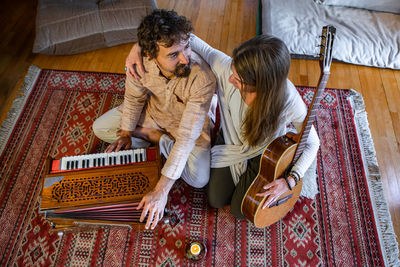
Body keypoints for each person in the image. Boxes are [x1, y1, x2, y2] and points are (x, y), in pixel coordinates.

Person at [126, 34, 320, 221]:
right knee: (215, 199)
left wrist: (290, 180)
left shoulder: (289, 100)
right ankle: (164, 135)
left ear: (261, 87)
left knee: (240, 210)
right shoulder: (225, 67)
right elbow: (185, 36)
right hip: (231, 143)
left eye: (238, 80)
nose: (229, 80)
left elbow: (313, 142)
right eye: (232, 73)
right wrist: (139, 47)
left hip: (265, 153)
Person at [93, 10, 216, 229]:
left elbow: (188, 136)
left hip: (186, 129)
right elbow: (133, 99)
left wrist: (161, 190)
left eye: (187, 47)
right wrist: (125, 133)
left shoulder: (202, 78)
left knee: (199, 179)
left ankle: (153, 139)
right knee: (100, 128)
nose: (185, 58)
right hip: (153, 114)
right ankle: (147, 137)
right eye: (173, 54)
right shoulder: (141, 63)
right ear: (150, 55)